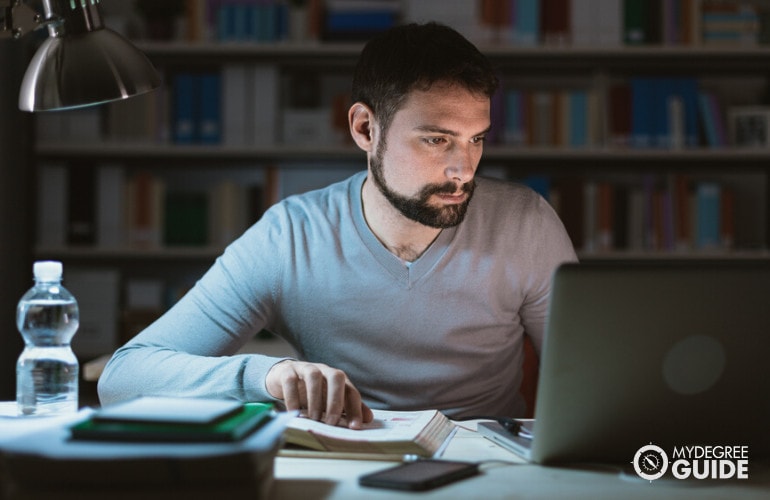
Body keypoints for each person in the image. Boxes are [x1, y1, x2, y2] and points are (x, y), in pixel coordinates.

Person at [98, 22, 577, 429]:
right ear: (365, 129)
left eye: (476, 140)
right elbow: (122, 381)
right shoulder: (291, 237)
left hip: (486, 469)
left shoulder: (525, 224)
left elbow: (593, 376)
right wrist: (265, 376)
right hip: (343, 464)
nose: (464, 169)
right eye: (437, 139)